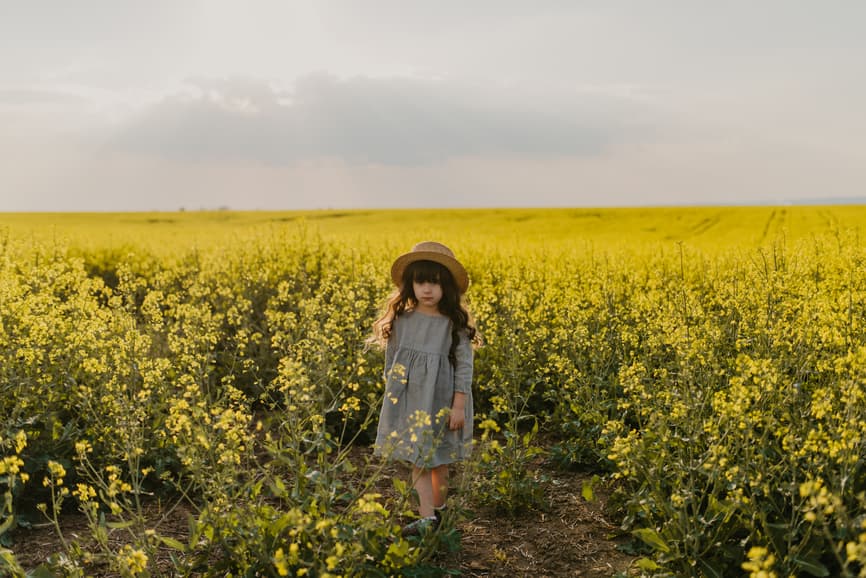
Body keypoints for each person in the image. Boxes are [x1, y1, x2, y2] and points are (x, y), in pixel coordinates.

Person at [370, 241, 479, 537]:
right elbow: (392, 361)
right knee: (417, 460)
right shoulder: (401, 320)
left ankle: (439, 511)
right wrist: (392, 397)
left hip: (442, 402)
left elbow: (464, 368)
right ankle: (427, 518)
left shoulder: (453, 323)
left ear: (448, 288)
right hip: (410, 400)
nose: (427, 289)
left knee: (439, 462)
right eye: (421, 282)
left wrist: (458, 406)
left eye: (435, 282)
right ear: (411, 285)